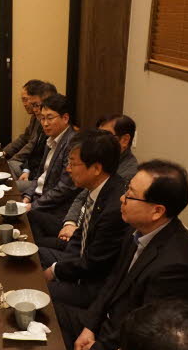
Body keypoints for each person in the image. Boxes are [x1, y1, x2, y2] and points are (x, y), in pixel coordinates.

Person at [60, 159, 188, 350]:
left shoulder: (175, 267)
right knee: (47, 315)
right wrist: (90, 326)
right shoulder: (139, 230)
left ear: (157, 210)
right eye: (126, 190)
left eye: (131, 195)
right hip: (109, 328)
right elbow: (112, 283)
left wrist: (97, 349)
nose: (121, 199)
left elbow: (147, 337)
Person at [39, 130, 129, 308]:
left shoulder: (114, 206)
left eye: (73, 163)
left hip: (95, 286)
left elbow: (93, 264)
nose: (68, 168)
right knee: (34, 254)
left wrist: (54, 271)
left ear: (96, 168)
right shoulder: (98, 188)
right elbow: (81, 235)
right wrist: (62, 265)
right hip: (81, 262)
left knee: (40, 292)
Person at [46, 114, 138, 249]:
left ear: (124, 140)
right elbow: (83, 196)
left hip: (87, 237)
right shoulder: (100, 163)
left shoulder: (125, 175)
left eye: (106, 135)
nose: (99, 140)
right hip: (79, 226)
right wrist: (70, 222)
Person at [22, 93, 82, 241]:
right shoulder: (52, 139)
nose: (45, 123)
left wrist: (33, 205)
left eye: (50, 118)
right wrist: (28, 196)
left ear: (65, 118)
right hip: (39, 197)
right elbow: (40, 174)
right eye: (42, 118)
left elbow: (65, 188)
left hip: (55, 209)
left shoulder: (72, 143)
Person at [15, 81, 59, 183]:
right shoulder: (41, 122)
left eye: (36, 105)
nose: (35, 110)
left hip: (43, 183)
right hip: (34, 174)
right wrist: (27, 170)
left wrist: (30, 193)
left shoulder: (68, 138)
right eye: (33, 105)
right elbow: (35, 151)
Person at [3, 79, 43, 177]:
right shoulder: (34, 117)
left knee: (8, 167)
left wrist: (13, 159)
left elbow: (31, 145)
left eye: (25, 99)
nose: (24, 104)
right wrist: (4, 152)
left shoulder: (42, 118)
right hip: (29, 165)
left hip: (34, 168)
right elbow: (24, 138)